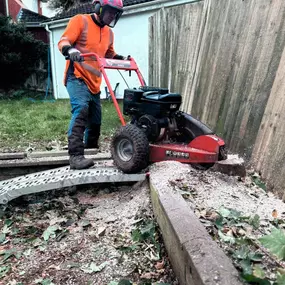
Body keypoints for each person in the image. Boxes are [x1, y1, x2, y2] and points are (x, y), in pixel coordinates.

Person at [58, 0, 127, 170]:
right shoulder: (80, 21)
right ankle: (75, 156)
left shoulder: (109, 33)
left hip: (94, 82)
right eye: (110, 11)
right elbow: (63, 41)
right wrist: (71, 50)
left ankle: (91, 150)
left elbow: (109, 54)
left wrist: (123, 60)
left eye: (115, 13)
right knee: (81, 109)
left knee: (95, 121)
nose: (112, 16)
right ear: (99, 8)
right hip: (76, 76)